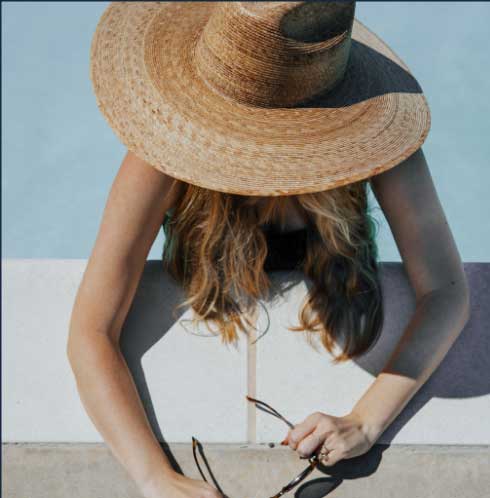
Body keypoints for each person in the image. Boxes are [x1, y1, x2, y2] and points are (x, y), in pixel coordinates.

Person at [68, 2, 470, 498]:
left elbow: (447, 290)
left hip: (335, 263)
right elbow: (90, 329)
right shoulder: (163, 145)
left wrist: (366, 421)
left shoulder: (380, 138)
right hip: (212, 264)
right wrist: (156, 478)